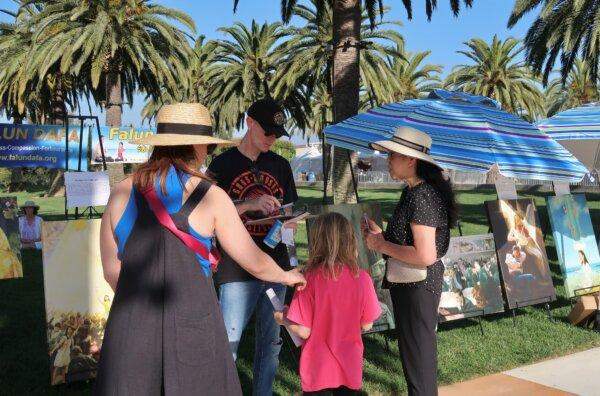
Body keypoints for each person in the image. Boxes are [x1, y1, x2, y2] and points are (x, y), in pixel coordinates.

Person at [95, 103, 305, 396]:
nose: (207, 152)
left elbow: (111, 270)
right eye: (206, 145)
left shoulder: (120, 192)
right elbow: (253, 260)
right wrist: (285, 276)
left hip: (131, 326)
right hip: (192, 325)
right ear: (196, 145)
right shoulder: (210, 196)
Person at [207, 98, 298, 395]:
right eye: (267, 131)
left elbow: (291, 211)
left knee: (271, 346)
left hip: (276, 270)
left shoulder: (281, 166)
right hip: (237, 271)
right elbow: (205, 211)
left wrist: (288, 222)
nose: (272, 139)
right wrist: (249, 204)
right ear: (249, 123)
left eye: (276, 134)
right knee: (228, 347)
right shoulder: (222, 164)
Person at [361, 126, 458, 396]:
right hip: (412, 286)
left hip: (418, 287)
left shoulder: (422, 196)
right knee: (416, 359)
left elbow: (424, 255)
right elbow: (411, 244)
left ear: (410, 159)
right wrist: (382, 237)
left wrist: (381, 244)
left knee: (419, 362)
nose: (388, 159)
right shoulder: (414, 192)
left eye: (393, 154)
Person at [274, 212, 381, 395]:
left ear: (317, 242)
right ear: (350, 240)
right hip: (350, 365)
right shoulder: (362, 278)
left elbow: (304, 330)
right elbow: (367, 323)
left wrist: (283, 319)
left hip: (317, 368)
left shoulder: (308, 279)